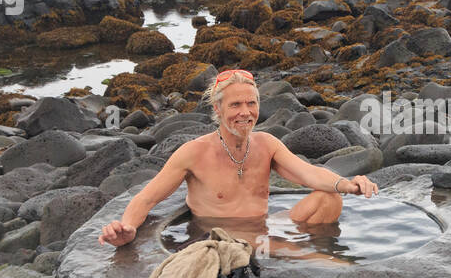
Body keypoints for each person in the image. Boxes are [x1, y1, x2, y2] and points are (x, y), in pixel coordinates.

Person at [98, 68, 378, 248]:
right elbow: (146, 198)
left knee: (329, 199)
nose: (245, 112)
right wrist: (128, 228)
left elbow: (309, 173)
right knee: (314, 260)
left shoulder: (267, 144)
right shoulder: (193, 152)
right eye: (235, 104)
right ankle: (318, 261)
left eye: (251, 103)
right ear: (218, 109)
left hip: (263, 230)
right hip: (219, 240)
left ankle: (310, 250)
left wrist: (348, 183)